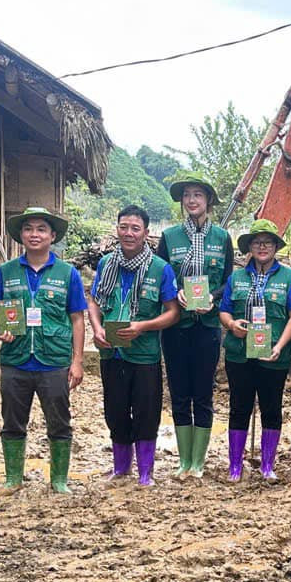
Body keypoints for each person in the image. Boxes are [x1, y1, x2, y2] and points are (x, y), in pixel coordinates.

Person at [0, 206, 86, 494]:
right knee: (12, 421)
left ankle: (59, 480)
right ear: (21, 235)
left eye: (41, 229)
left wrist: (77, 361)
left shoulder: (67, 274)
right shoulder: (6, 272)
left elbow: (77, 318)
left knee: (59, 422)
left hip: (54, 360)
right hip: (15, 359)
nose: (35, 234)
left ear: (52, 236)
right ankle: (13, 479)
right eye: (28, 228)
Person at [89, 204, 180, 487]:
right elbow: (94, 301)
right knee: (115, 411)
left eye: (135, 228)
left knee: (146, 413)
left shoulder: (160, 268)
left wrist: (142, 326)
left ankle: (145, 472)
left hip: (144, 355)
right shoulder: (106, 264)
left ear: (146, 233)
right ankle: (120, 468)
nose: (129, 233)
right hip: (111, 352)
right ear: (117, 229)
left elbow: (173, 312)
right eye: (124, 227)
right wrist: (97, 327)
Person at [156, 172, 233, 479]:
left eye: (197, 195)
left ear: (208, 200)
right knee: (178, 392)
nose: (191, 200)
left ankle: (198, 462)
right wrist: (175, 292)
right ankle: (183, 460)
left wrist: (213, 297)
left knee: (202, 392)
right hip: (177, 325)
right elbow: (161, 275)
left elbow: (228, 279)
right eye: (187, 195)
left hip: (208, 325)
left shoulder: (222, 238)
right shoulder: (170, 236)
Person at [219, 220, 291, 482]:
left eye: (268, 242)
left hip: (273, 355)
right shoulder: (237, 278)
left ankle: (267, 465)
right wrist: (231, 325)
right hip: (239, 353)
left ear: (276, 246)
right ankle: (235, 465)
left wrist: (279, 346)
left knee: (271, 408)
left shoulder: (289, 277)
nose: (262, 247)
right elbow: (224, 310)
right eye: (256, 242)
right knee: (239, 407)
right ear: (249, 247)